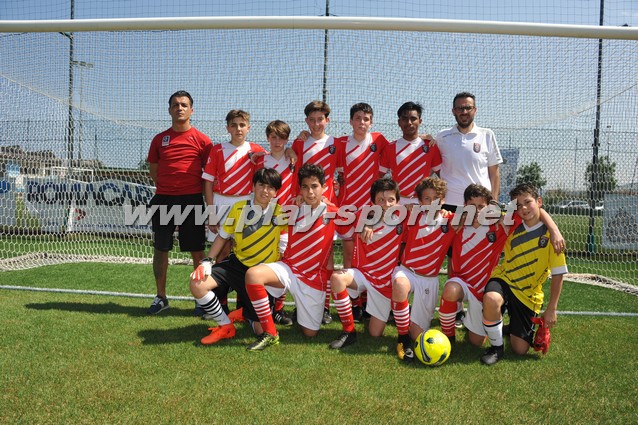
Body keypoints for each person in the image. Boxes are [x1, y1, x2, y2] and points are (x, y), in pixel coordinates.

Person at [438, 184, 564, 353]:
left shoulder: (500, 225)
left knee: (481, 343)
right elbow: (432, 213)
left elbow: (533, 211)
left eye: (481, 206)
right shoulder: (456, 222)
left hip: (485, 291)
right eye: (472, 206)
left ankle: (502, 326)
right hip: (466, 284)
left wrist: (554, 230)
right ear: (464, 205)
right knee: (451, 289)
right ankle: (448, 339)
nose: (477, 211)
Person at [244, 163, 338, 351]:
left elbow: (360, 223)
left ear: (324, 188)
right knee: (253, 275)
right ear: (299, 189)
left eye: (314, 186)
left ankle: (302, 313)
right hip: (289, 269)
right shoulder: (291, 210)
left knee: (310, 333)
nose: (310, 192)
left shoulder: (335, 213)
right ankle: (270, 333)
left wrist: (368, 226)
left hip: (313, 279)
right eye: (305, 187)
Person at [188, 168, 287, 345]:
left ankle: (245, 313)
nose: (265, 191)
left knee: (261, 330)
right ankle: (226, 326)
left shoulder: (280, 213)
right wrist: (207, 261)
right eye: (261, 185)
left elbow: (288, 242)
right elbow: (222, 237)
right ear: (253, 187)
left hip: (261, 275)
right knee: (197, 283)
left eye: (271, 187)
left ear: (276, 192)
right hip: (237, 265)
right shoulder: (239, 208)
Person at [480, 183, 568, 365]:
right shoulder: (512, 224)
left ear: (539, 201)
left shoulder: (552, 238)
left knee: (520, 349)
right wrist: (499, 217)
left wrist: (551, 309)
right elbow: (486, 213)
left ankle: (510, 327)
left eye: (528, 202)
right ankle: (496, 348)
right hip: (504, 279)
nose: (524, 208)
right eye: (518, 206)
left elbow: (558, 275)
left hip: (528, 294)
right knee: (491, 298)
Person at [145, 90, 212, 315]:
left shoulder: (203, 140)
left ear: (192, 110)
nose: (180, 108)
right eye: (175, 105)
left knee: (197, 252)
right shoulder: (159, 139)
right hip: (164, 200)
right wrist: (169, 189)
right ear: (169, 110)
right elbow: (154, 170)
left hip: (191, 200)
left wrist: (189, 191)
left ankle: (201, 299)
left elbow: (209, 174)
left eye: (184, 105)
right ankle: (161, 297)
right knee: (161, 249)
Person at [329, 178, 404, 350]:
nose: (386, 204)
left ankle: (375, 313)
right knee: (337, 278)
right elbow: (337, 215)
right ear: (373, 202)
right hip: (362, 275)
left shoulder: (404, 219)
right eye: (381, 200)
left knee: (375, 334)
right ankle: (349, 331)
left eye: (391, 200)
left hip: (384, 283)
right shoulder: (362, 215)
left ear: (397, 202)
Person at [390, 177, 457, 361]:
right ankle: (402, 339)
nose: (432, 202)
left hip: (429, 279)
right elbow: (385, 212)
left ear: (443, 200)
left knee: (419, 335)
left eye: (436, 198)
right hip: (407, 271)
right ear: (420, 201)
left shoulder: (452, 220)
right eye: (427, 198)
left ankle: (412, 331)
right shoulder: (413, 216)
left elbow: (478, 217)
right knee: (399, 284)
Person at [334, 102, 389, 321]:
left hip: (371, 210)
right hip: (347, 208)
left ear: (371, 122)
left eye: (366, 119)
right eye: (357, 118)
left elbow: (400, 146)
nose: (362, 122)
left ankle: (368, 303)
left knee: (368, 256)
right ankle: (353, 304)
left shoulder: (379, 140)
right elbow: (320, 146)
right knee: (349, 256)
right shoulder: (340, 143)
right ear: (351, 121)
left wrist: (423, 137)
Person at [291, 100, 341, 325]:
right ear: (306, 121)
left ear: (327, 120)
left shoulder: (336, 143)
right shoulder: (300, 143)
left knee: (327, 258)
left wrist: (336, 193)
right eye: (311, 120)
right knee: (301, 256)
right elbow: (295, 172)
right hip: (305, 207)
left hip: (327, 208)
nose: (316, 123)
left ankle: (325, 307)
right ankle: (300, 304)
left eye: (320, 119)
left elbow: (344, 172)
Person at [263, 120, 295, 326]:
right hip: (265, 219)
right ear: (267, 138)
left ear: (287, 139)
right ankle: (261, 307)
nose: (277, 141)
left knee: (285, 263)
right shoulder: (260, 160)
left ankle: (279, 309)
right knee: (263, 262)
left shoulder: (293, 160)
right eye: (273, 137)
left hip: (286, 220)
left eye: (281, 138)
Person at [380, 101, 442, 205]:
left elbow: (442, 175)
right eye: (404, 119)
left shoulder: (430, 146)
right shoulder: (390, 148)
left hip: (424, 202)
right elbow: (378, 176)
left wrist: (441, 199)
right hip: (398, 202)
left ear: (420, 121)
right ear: (399, 122)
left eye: (413, 119)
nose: (409, 122)